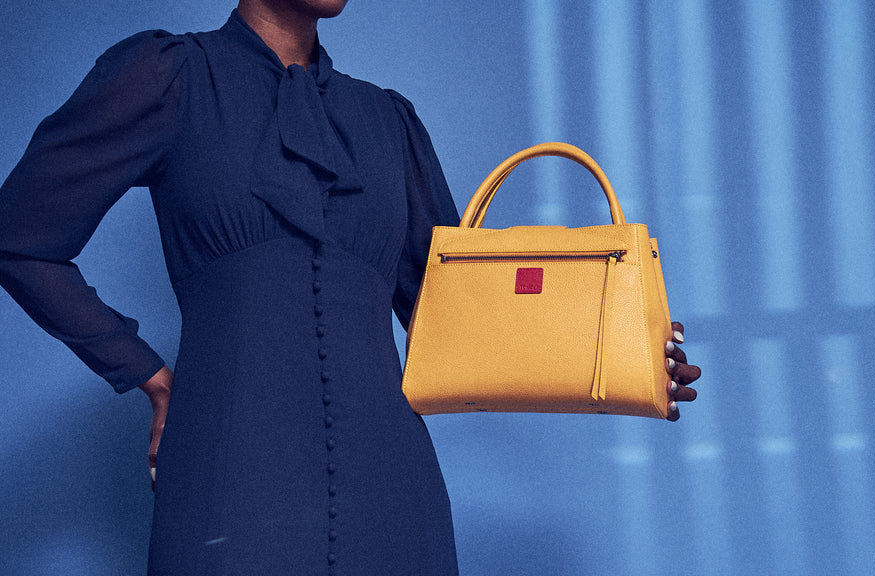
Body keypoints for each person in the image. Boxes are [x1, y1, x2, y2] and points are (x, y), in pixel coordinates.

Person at [0, 0, 701, 574]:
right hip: (227, 471)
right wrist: (150, 377)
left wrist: (632, 353)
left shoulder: (386, 121)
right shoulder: (169, 77)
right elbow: (21, 238)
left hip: (392, 484)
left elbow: (461, 321)